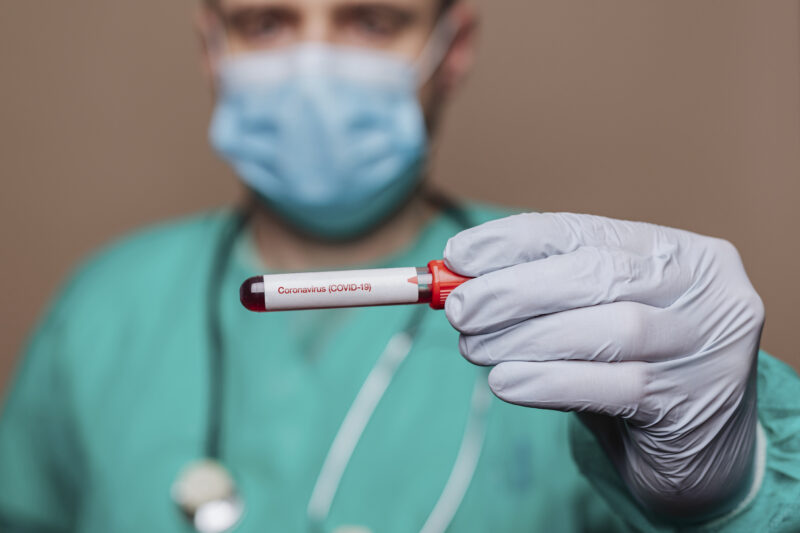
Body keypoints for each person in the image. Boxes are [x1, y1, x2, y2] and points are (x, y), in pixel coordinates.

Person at [1, 0, 799, 531]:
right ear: (212, 51)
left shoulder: (584, 300)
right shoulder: (104, 309)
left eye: (373, 20)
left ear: (454, 52)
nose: (314, 70)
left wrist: (734, 491)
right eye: (266, 22)